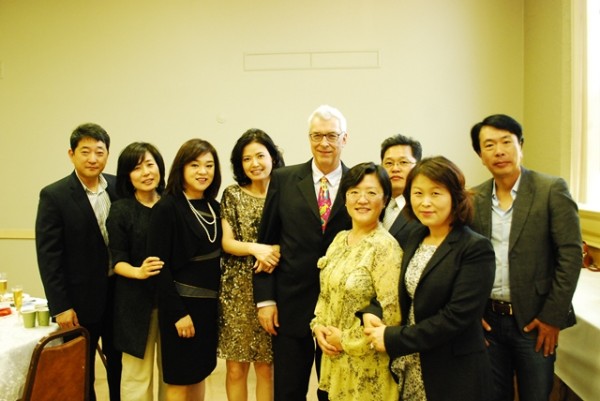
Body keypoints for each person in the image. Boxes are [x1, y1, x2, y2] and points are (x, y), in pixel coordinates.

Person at [469, 114, 582, 401]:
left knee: (536, 395)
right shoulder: (473, 198)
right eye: (489, 145)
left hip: (535, 321)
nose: (499, 151)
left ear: (521, 145)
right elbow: (466, 261)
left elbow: (569, 256)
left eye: (506, 142)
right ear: (480, 155)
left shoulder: (551, 189)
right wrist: (472, 313)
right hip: (489, 321)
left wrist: (552, 318)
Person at [364, 156, 496, 401]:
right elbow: (394, 286)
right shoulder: (415, 236)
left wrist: (393, 338)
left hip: (452, 372)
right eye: (417, 193)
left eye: (435, 193)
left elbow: (455, 318)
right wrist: (372, 311)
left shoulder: (475, 248)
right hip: (412, 363)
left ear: (455, 196)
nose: (425, 202)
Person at [253, 105, 352, 401]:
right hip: (290, 305)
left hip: (340, 310)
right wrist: (265, 300)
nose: (324, 143)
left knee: (333, 392)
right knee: (288, 390)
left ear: (344, 138)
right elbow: (266, 243)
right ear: (309, 138)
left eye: (331, 136)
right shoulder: (283, 179)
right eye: (317, 136)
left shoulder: (357, 182)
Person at [35, 122, 122, 401]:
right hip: (79, 302)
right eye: (85, 151)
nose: (93, 158)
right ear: (71, 154)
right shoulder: (54, 195)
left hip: (119, 296)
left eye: (99, 151)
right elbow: (49, 257)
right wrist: (61, 306)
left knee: (120, 365)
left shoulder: (119, 187)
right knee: (81, 369)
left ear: (107, 154)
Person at [311, 162, 401, 401]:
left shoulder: (386, 248)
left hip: (367, 368)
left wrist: (345, 340)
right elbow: (326, 294)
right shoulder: (339, 240)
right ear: (345, 198)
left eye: (371, 192)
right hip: (333, 360)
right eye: (354, 192)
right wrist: (318, 327)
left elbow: (392, 314)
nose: (362, 200)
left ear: (384, 200)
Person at [147, 139, 222, 401]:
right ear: (181, 168)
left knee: (200, 373)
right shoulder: (167, 207)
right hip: (181, 308)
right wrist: (178, 313)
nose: (203, 171)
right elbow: (159, 267)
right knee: (179, 378)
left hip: (208, 309)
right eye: (195, 165)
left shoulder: (214, 207)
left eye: (209, 165)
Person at [217, 129, 284, 401]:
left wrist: (275, 251)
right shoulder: (232, 194)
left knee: (267, 368)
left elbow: (294, 236)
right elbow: (227, 242)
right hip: (236, 292)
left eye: (260, 156)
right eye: (247, 159)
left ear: (272, 157)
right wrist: (256, 248)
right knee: (236, 368)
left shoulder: (285, 193)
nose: (254, 163)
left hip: (272, 287)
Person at [106, 142, 167, 401]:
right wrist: (139, 272)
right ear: (127, 175)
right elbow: (117, 260)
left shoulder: (172, 204)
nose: (146, 173)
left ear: (160, 167)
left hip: (171, 303)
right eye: (137, 168)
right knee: (136, 377)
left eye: (150, 165)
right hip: (134, 303)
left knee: (171, 374)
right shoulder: (121, 209)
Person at [380, 134, 423, 247]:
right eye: (389, 163)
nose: (395, 169)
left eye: (403, 162)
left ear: (418, 166)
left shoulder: (424, 207)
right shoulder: (374, 203)